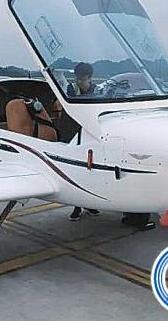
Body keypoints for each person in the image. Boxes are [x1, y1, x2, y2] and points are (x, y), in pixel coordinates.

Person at [67, 62, 100, 221]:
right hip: (75, 133)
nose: (80, 81)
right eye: (78, 78)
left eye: (83, 78)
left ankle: (90, 204)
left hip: (91, 133)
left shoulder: (96, 89)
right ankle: (77, 206)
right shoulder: (70, 89)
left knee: (91, 171)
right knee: (77, 170)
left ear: (89, 78)